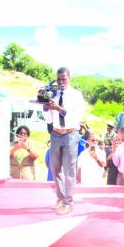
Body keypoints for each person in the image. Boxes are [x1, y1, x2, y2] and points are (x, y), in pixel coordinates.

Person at [44, 67, 86, 215]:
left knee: (69, 169)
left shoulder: (76, 95)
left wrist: (60, 109)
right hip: (55, 133)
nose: (61, 82)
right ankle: (60, 199)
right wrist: (46, 108)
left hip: (70, 134)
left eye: (64, 78)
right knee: (54, 168)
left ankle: (69, 202)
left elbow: (77, 117)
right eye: (59, 79)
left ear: (69, 78)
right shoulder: (52, 94)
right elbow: (49, 119)